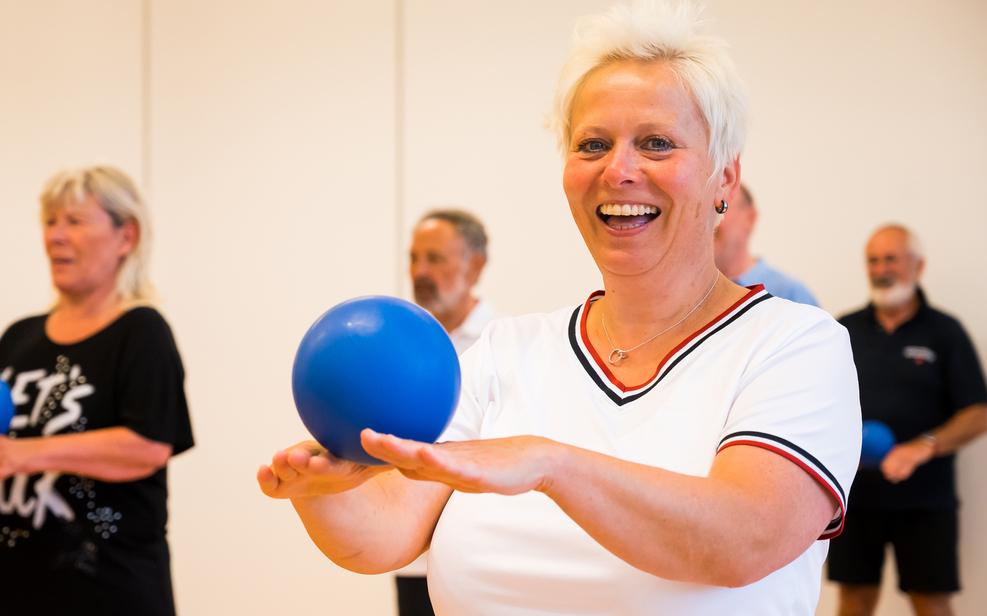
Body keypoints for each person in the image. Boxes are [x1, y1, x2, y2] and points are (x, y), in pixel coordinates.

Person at [257, 2, 861, 614]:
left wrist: (552, 465)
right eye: (592, 144)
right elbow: (385, 537)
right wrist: (323, 491)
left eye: (656, 143)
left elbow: (745, 539)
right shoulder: (505, 352)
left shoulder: (797, 346)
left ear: (725, 180)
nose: (618, 171)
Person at [0, 165, 194, 615]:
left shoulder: (141, 331)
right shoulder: (19, 338)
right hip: (10, 593)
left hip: (109, 594)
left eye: (74, 221)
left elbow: (148, 446)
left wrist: (24, 453)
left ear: (125, 237)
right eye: (51, 222)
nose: (55, 236)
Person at [828, 224, 987, 616]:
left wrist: (924, 446)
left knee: (931, 603)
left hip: (925, 500)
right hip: (855, 498)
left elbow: (979, 413)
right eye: (873, 260)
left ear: (919, 266)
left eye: (891, 259)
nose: (881, 268)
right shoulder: (843, 329)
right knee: (853, 600)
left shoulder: (945, 332)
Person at [399, 208, 499, 615]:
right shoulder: (399, 345)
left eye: (435, 259)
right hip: (411, 555)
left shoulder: (503, 348)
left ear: (475, 266)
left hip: (483, 558)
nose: (420, 271)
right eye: (414, 258)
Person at [713, 183, 819, 305]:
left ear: (750, 218)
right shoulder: (693, 298)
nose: (707, 221)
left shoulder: (792, 296)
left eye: (719, 208)